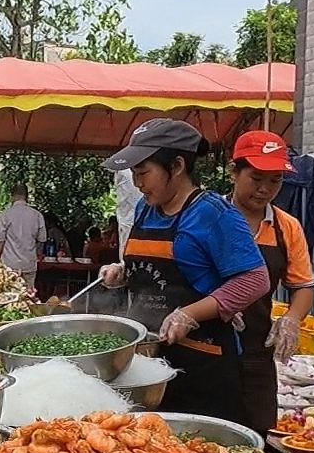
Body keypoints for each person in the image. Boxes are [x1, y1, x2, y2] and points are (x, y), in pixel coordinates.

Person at [99, 119, 270, 427]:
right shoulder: (145, 209)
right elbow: (151, 269)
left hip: (204, 366)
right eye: (134, 174)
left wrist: (189, 314)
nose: (138, 183)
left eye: (143, 173)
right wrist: (124, 272)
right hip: (149, 361)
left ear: (176, 165)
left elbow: (256, 279)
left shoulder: (214, 213)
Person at [229, 130, 314, 430]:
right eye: (256, 178)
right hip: (209, 347)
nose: (265, 189)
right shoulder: (209, 216)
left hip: (258, 347)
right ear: (234, 172)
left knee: (259, 432)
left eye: (275, 181)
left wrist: (292, 319)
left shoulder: (286, 227)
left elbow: (303, 286)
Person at [0, 186, 46, 288]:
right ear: (27, 196)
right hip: (29, 263)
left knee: (9, 294)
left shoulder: (4, 215)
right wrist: (37, 254)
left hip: (9, 264)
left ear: (12, 196)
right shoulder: (37, 215)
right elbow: (42, 239)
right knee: (29, 294)